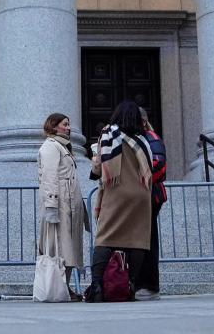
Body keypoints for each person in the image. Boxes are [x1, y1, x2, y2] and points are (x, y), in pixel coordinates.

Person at [84, 100, 153, 303]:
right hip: (141, 194)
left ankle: (96, 285)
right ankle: (130, 285)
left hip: (116, 191)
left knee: (106, 237)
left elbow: (99, 166)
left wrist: (95, 166)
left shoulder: (109, 134)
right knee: (137, 240)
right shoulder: (142, 140)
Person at [37, 113, 86, 301]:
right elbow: (49, 178)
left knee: (69, 248)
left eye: (68, 124)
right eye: (65, 124)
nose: (68, 127)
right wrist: (51, 206)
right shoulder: (50, 147)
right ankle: (59, 287)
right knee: (61, 248)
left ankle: (64, 287)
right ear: (54, 126)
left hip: (69, 204)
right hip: (60, 205)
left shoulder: (62, 146)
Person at [135, 107, 166, 301]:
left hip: (150, 196)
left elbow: (159, 167)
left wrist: (134, 179)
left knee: (148, 241)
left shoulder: (151, 138)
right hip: (140, 196)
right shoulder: (143, 138)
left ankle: (150, 285)